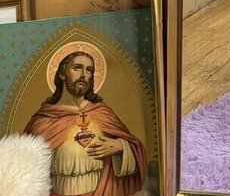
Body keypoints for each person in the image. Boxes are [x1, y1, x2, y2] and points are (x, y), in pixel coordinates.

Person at [24, 50, 147, 195]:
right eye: (77, 68)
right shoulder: (43, 120)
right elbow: (24, 167)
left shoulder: (102, 113)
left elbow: (136, 150)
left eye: (89, 70)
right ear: (62, 74)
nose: (83, 75)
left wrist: (121, 146)